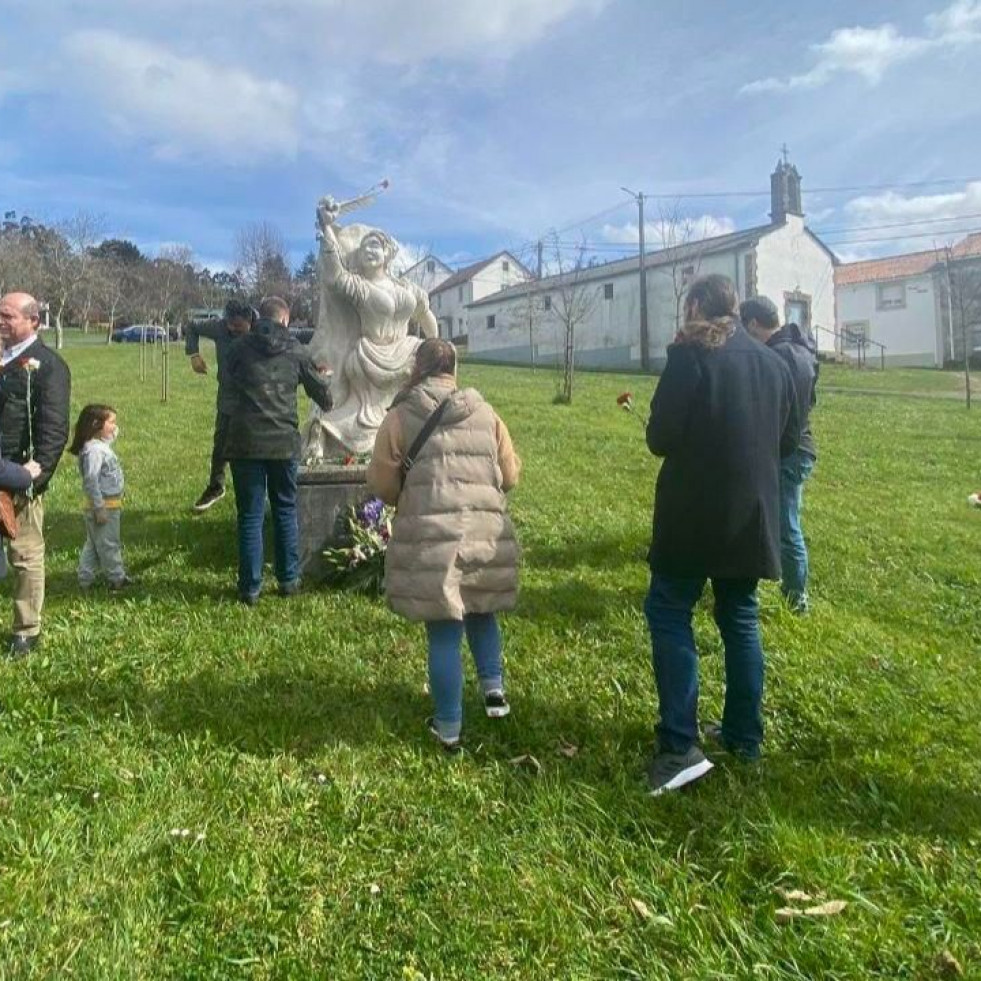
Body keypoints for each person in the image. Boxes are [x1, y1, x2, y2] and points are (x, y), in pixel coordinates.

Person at [644, 274, 799, 795]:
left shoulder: (690, 356)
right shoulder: (772, 362)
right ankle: (742, 735)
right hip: (753, 513)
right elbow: (786, 438)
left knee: (669, 610)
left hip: (693, 513)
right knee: (739, 616)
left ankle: (679, 745)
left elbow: (660, 438)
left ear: (694, 306)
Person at [367, 338, 521, 752]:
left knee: (444, 630)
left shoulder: (400, 415)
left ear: (418, 367)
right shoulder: (486, 413)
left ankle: (449, 726)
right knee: (481, 607)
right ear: (454, 368)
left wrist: (408, 493)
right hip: (485, 529)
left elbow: (382, 484)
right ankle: (494, 691)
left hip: (433, 534)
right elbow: (510, 475)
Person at [303, 197, 438, 459]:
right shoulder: (358, 286)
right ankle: (327, 430)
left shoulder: (407, 288)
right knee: (366, 415)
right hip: (370, 357)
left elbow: (425, 314)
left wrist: (440, 350)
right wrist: (327, 228)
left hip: (405, 350)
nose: (369, 250)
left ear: (387, 253)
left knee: (421, 390)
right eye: (364, 246)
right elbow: (334, 275)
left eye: (374, 245)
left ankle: (421, 438)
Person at [224, 296, 333, 604]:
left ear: (260, 318)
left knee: (250, 515)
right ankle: (288, 579)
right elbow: (322, 394)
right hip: (283, 441)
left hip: (244, 440)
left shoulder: (238, 349)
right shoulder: (297, 351)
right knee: (285, 509)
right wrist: (324, 383)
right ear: (286, 320)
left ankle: (250, 587)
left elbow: (229, 383)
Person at [0, 292, 71, 659]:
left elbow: (54, 430)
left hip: (17, 477)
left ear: (33, 322)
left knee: (25, 554)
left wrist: (31, 479)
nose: (1, 322)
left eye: (8, 316)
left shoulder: (49, 366)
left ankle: (26, 629)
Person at [741, 297, 819, 612]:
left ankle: (797, 599)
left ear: (753, 324)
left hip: (788, 450)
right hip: (797, 447)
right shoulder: (800, 349)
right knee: (779, 522)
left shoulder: (778, 356)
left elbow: (779, 409)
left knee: (787, 527)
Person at [185, 300, 256, 512]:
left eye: (239, 327)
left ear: (250, 321)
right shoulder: (219, 326)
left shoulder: (262, 328)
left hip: (255, 399)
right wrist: (193, 354)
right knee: (221, 445)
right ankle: (216, 487)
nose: (233, 331)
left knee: (254, 449)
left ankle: (256, 495)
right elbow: (192, 326)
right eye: (230, 326)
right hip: (227, 396)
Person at [69, 404, 131, 591]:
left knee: (94, 544)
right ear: (96, 425)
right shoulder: (94, 451)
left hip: (105, 504)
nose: (115, 427)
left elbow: (108, 439)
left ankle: (84, 579)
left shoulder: (99, 446)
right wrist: (99, 507)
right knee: (109, 544)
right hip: (104, 506)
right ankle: (117, 579)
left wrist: (112, 429)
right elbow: (91, 481)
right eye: (111, 422)